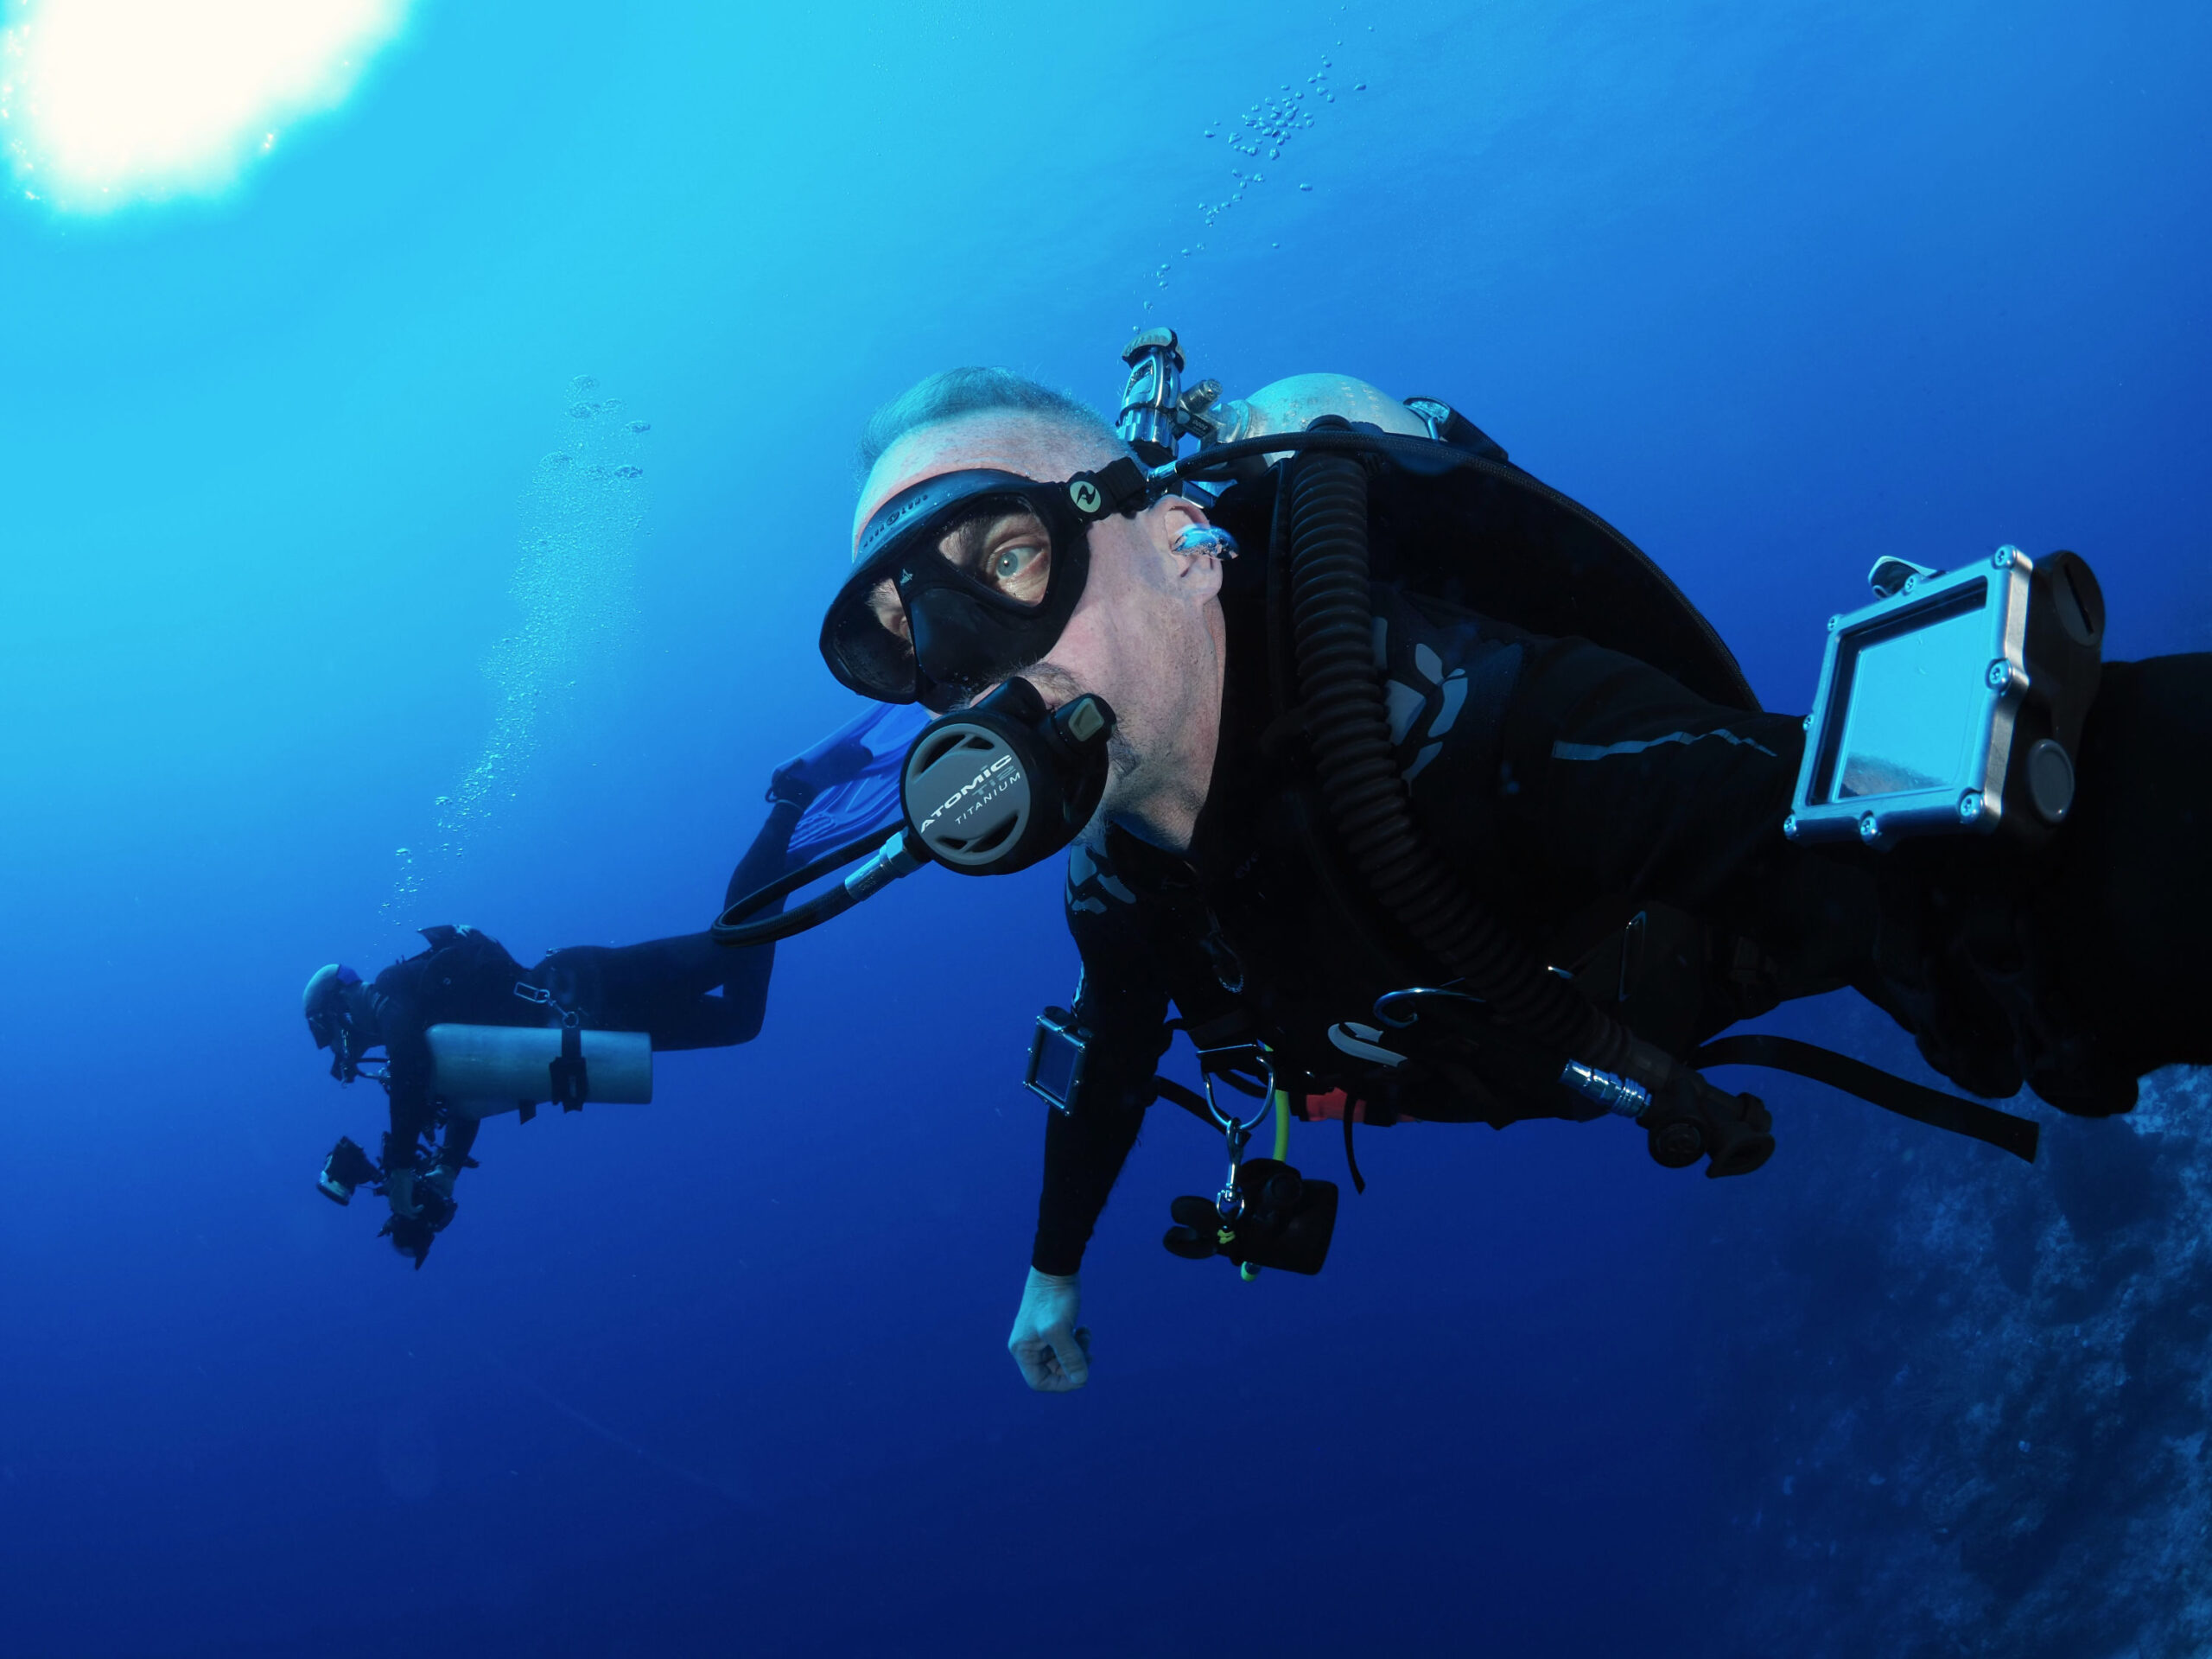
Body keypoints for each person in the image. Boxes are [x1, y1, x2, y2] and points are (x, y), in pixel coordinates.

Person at [814, 361, 2212, 1391]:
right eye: (915, 641)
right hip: (1523, 1040)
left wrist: (2064, 894)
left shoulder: (1464, 725)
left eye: (1009, 559)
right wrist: (1052, 1267)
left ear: (1183, 546)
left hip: (1685, 964)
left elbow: (1809, 822)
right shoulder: (1117, 880)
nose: (976, 667)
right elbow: (1114, 1048)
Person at [302, 705, 924, 1266]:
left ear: (333, 1012)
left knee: (730, 951)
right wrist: (440, 1182)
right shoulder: (403, 1036)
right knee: (741, 1021)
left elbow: (410, 1056)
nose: (342, 1051)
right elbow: (465, 1096)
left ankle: (790, 797)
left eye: (329, 1037)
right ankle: (776, 874)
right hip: (593, 1031)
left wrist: (406, 1166)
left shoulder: (379, 997)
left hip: (583, 989)